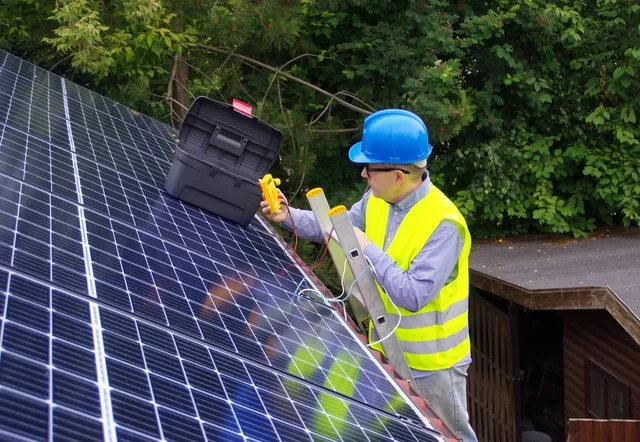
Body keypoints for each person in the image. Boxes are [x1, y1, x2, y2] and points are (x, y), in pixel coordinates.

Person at [260, 109, 477, 441]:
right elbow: (334, 228)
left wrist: (367, 248)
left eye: (371, 168)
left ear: (399, 175)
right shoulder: (378, 200)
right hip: (388, 352)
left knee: (449, 437)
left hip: (433, 367)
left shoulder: (444, 224)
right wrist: (286, 215)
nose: (363, 174)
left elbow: (413, 295)